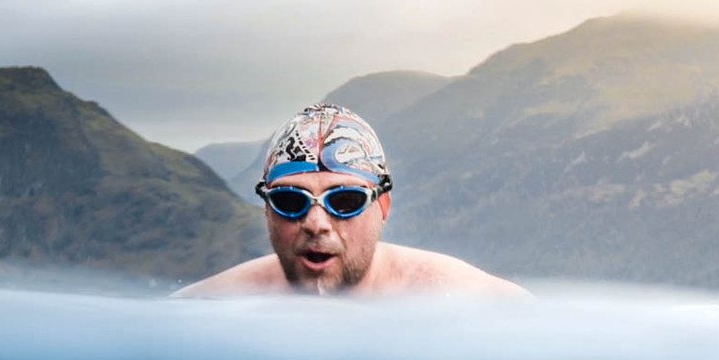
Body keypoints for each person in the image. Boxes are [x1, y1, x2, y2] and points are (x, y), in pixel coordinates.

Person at [174, 104, 528, 297]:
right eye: (290, 201)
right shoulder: (214, 303)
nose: (316, 223)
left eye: (344, 201)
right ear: (268, 210)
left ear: (382, 206)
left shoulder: (460, 299)